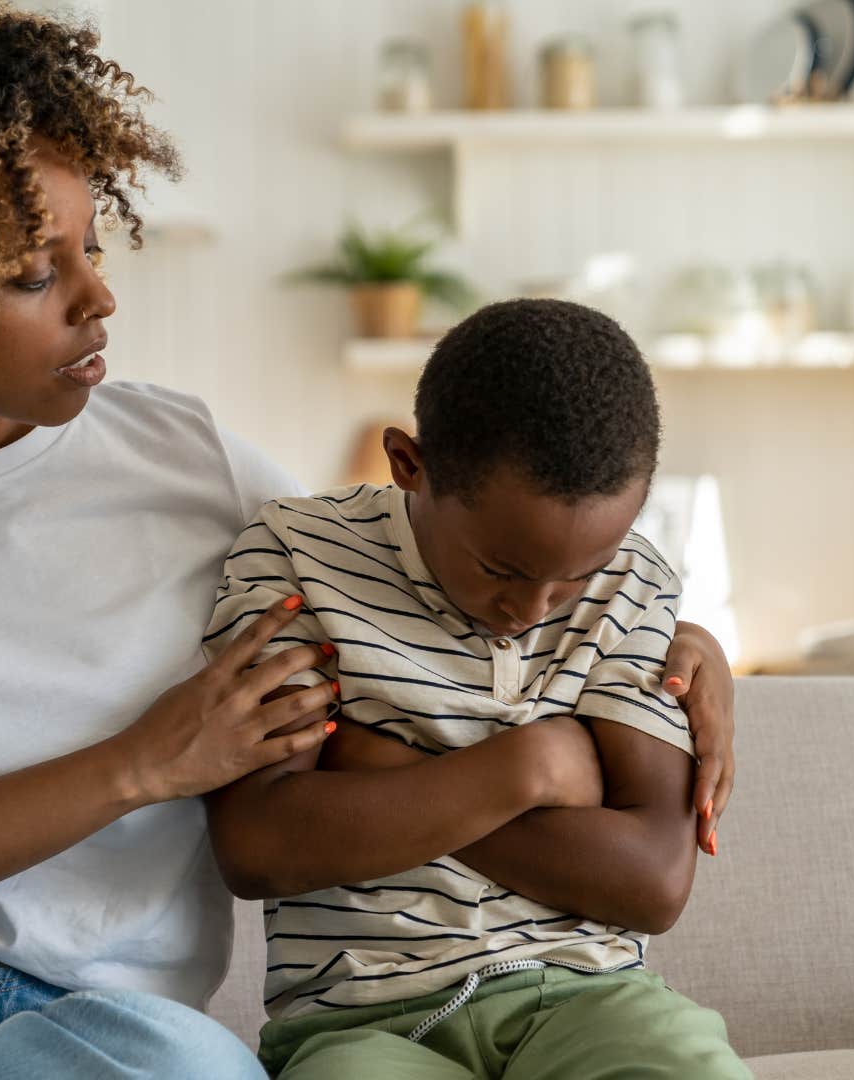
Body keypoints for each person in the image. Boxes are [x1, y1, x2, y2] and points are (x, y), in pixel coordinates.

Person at [0, 6, 737, 1077]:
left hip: (112, 1012)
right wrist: (143, 762)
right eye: (32, 273)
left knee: (183, 1069)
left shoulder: (185, 453)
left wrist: (671, 635)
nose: (98, 296)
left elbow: (408, 582)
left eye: (93, 244)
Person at [202, 299, 749, 1079]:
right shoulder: (298, 553)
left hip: (593, 1001)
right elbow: (259, 845)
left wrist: (373, 767)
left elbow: (651, 882)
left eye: (577, 577)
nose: (531, 611)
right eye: (499, 569)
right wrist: (525, 771)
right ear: (408, 465)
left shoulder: (634, 583)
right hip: (359, 1026)